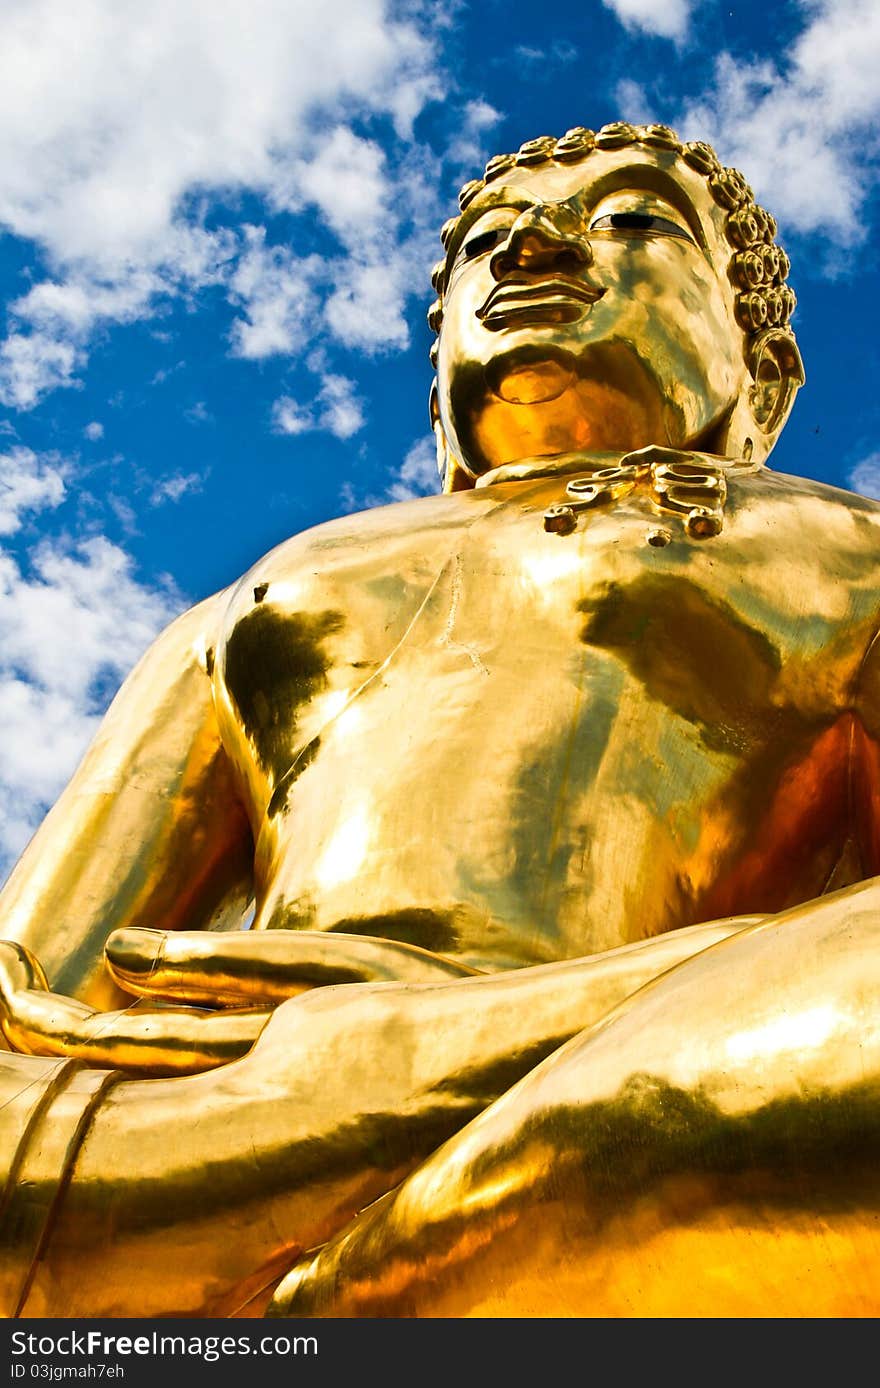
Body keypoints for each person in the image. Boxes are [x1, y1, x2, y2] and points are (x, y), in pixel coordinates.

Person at [2, 121, 879, 1319]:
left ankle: (356, 1295)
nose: (528, 246)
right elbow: (28, 992)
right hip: (196, 1128)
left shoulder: (840, 555)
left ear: (760, 371)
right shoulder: (271, 591)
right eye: (482, 241)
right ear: (433, 382)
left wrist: (421, 1044)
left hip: (675, 1067)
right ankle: (429, 1270)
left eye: (630, 219)